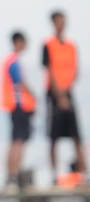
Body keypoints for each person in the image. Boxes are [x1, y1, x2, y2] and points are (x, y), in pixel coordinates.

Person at [42, 10, 88, 185]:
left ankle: (83, 173)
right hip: (53, 94)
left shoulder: (71, 45)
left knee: (76, 135)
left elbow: (75, 70)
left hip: (68, 92)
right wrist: (59, 95)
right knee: (53, 137)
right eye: (58, 21)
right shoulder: (48, 44)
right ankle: (54, 174)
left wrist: (66, 92)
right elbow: (49, 70)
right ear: (53, 23)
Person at [0, 31, 36, 190]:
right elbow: (20, 83)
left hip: (15, 107)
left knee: (15, 141)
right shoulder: (13, 62)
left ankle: (12, 174)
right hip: (19, 107)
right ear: (18, 42)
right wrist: (34, 96)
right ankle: (13, 174)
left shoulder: (10, 61)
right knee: (18, 141)